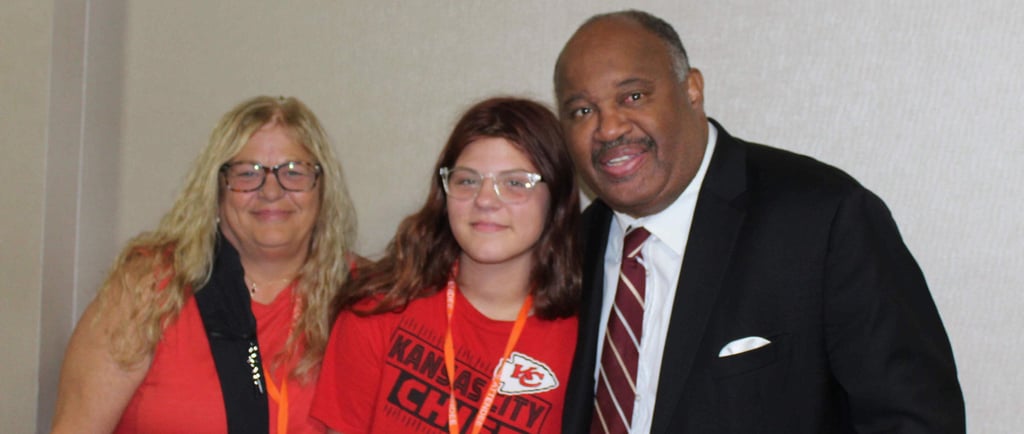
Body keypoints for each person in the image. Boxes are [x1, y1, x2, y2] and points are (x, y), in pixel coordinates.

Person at [553, 10, 965, 434]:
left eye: (633, 96)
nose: (608, 129)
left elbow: (918, 420)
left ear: (691, 90)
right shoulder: (573, 246)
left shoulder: (822, 219)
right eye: (582, 111)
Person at [51, 96, 358, 434]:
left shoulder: (362, 298)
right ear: (217, 190)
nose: (271, 190)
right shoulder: (149, 289)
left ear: (322, 190)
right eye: (247, 173)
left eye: (294, 173)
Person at [311, 97, 580, 434]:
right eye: (467, 180)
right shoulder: (379, 308)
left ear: (556, 198)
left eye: (515, 183)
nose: (484, 200)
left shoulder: (584, 338)